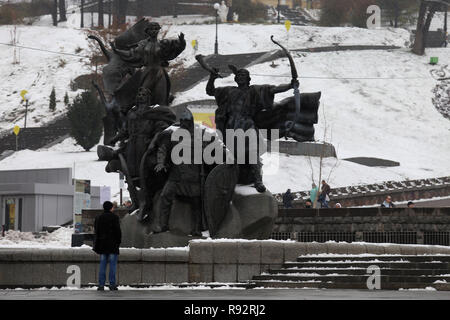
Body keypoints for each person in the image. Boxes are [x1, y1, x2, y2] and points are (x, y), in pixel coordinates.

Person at [206, 66, 297, 193]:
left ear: (249, 79)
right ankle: (231, 179)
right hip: (232, 126)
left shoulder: (255, 90)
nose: (240, 77)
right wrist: (212, 78)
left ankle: (257, 180)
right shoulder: (229, 91)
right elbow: (210, 91)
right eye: (238, 75)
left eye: (243, 75)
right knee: (233, 155)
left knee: (252, 152)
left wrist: (289, 85)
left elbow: (273, 89)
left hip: (247, 124)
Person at [93, 201, 122, 291]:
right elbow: (118, 231)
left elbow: (96, 230)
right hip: (112, 245)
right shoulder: (115, 217)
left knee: (102, 265)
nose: (113, 208)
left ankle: (101, 285)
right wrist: (118, 242)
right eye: (113, 207)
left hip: (102, 245)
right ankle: (112, 284)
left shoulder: (98, 217)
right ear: (110, 208)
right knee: (112, 265)